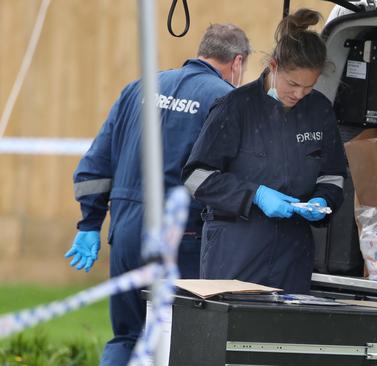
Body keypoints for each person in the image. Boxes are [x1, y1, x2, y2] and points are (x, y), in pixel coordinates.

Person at [65, 24, 250, 365]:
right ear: (237, 62)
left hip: (126, 233)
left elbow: (94, 165)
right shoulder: (224, 99)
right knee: (178, 339)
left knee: (127, 336)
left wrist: (89, 223)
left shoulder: (138, 88)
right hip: (181, 238)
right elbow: (230, 178)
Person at [181, 9, 346, 294]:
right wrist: (255, 194)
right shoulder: (235, 107)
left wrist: (322, 200)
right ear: (273, 65)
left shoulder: (319, 110)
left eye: (309, 87)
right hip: (235, 246)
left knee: (283, 333)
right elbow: (196, 177)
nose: (299, 95)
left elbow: (333, 176)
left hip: (293, 251)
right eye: (293, 84)